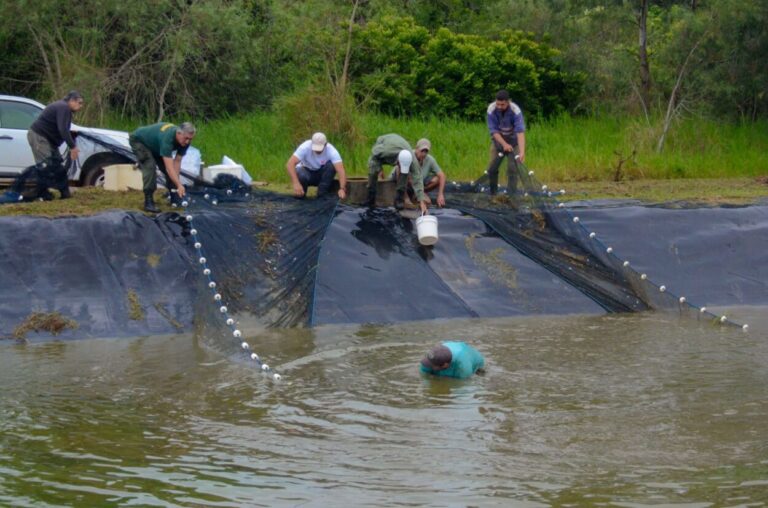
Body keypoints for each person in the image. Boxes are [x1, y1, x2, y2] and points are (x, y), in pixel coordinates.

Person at [25, 90, 84, 200]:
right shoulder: (63, 107)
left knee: (57, 164)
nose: (81, 106)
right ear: (71, 101)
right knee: (46, 166)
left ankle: (64, 192)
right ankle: (42, 194)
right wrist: (73, 146)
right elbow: (62, 129)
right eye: (79, 103)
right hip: (39, 137)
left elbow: (61, 128)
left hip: (49, 140)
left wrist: (70, 135)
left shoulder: (63, 108)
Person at [129, 122, 196, 213]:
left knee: (170, 172)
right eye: (186, 138)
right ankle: (148, 202)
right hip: (139, 141)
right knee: (150, 166)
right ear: (178, 133)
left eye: (190, 139)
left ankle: (174, 197)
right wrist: (179, 185)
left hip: (156, 145)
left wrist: (177, 184)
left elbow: (177, 161)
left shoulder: (185, 142)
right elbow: (169, 168)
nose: (187, 141)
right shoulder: (167, 139)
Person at [366, 133, 427, 213]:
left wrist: (421, 202)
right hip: (384, 144)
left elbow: (418, 179)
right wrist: (379, 168)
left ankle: (399, 201)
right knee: (373, 171)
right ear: (398, 160)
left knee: (403, 176)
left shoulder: (412, 160)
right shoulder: (385, 151)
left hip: (399, 146)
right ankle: (371, 199)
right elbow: (373, 155)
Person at [485, 89, 526, 195]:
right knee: (492, 169)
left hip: (514, 143)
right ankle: (493, 194)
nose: (499, 107)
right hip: (498, 142)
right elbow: (493, 131)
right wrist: (504, 144)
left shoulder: (515, 110)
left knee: (512, 169)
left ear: (508, 102)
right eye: (498, 104)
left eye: (502, 105)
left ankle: (511, 195)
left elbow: (520, 132)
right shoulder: (491, 109)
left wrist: (522, 152)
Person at [286, 132, 347, 199]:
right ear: (312, 143)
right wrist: (296, 183)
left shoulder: (332, 151)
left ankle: (322, 193)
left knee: (331, 166)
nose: (317, 151)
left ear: (325, 144)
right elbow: (290, 164)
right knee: (300, 172)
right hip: (306, 172)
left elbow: (341, 170)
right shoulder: (305, 147)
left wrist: (342, 188)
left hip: (321, 175)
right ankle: (301, 194)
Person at [398, 138, 446, 208]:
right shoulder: (408, 156)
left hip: (417, 186)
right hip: (404, 184)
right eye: (422, 151)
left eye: (426, 151)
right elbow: (400, 171)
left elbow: (442, 175)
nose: (423, 154)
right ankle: (406, 197)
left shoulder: (429, 160)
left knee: (437, 180)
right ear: (416, 149)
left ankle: (418, 195)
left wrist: (440, 194)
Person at [420, 341, 485, 379]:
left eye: (432, 365)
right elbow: (424, 373)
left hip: (474, 359)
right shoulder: (432, 357)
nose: (428, 365)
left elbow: (464, 384)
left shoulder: (463, 365)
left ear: (445, 365)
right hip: (453, 349)